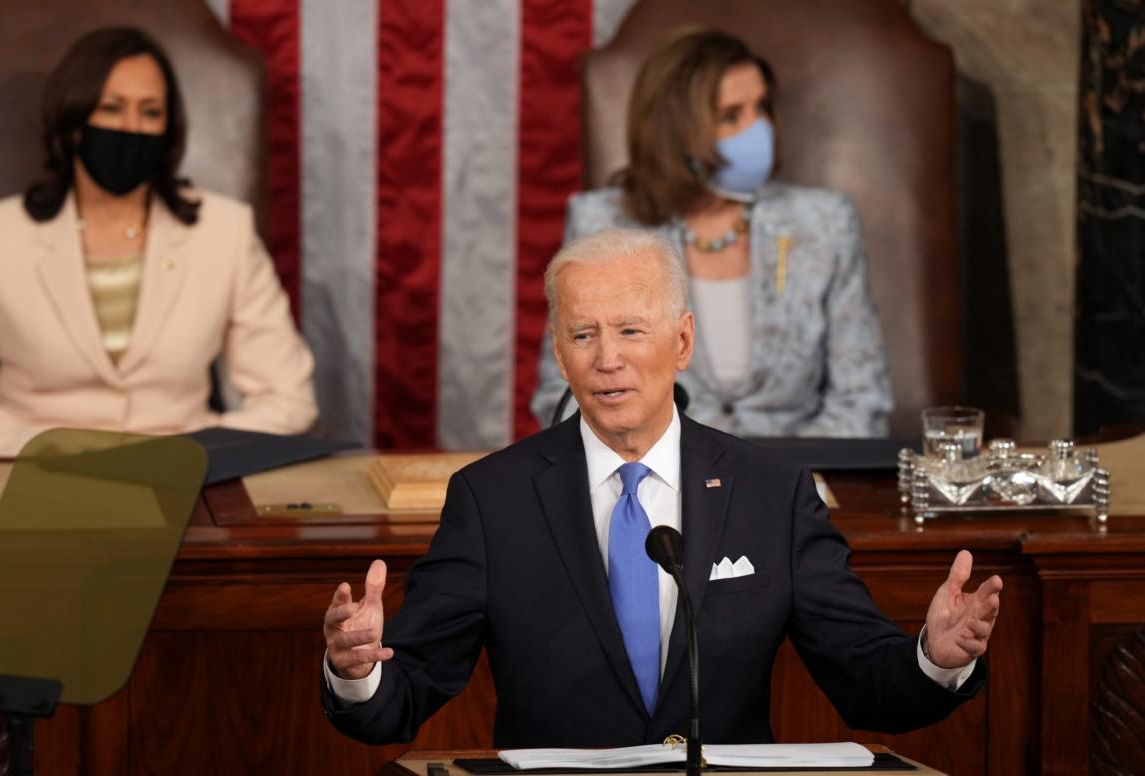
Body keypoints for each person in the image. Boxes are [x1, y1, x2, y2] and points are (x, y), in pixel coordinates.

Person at [321, 228, 1002, 747]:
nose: (607, 358)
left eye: (630, 331)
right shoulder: (493, 499)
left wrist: (936, 659)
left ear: (682, 341)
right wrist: (357, 671)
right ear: (559, 353)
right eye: (583, 334)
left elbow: (869, 684)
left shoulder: (770, 493)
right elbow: (399, 699)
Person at [0, 27, 317, 457]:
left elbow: (290, 400)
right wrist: (31, 447)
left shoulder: (225, 230)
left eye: (150, 112)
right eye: (112, 108)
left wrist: (191, 452)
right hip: (29, 481)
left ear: (169, 129)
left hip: (178, 486)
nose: (131, 128)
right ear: (75, 121)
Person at [531, 26, 891, 438]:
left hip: (798, 477)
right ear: (674, 131)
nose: (759, 131)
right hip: (657, 476)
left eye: (762, 109)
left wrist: (777, 480)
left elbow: (862, 400)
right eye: (731, 116)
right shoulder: (600, 223)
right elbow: (561, 397)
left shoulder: (825, 223)